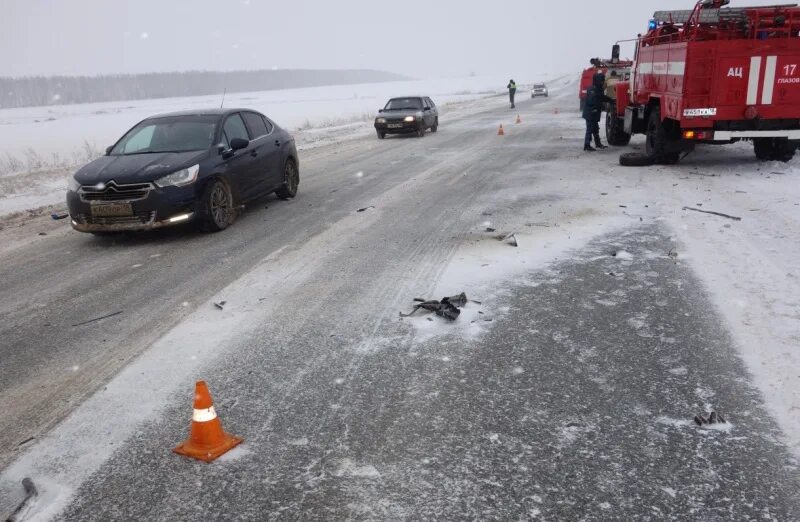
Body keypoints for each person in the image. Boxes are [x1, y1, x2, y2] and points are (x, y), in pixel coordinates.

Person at [582, 72, 613, 151]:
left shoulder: (597, 89)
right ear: (598, 80)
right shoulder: (593, 89)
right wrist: (597, 107)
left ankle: (598, 143)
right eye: (601, 81)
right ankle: (587, 145)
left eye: (603, 81)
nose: (602, 83)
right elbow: (594, 100)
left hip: (594, 113)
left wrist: (611, 100)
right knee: (590, 129)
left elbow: (601, 97)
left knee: (596, 129)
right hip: (590, 113)